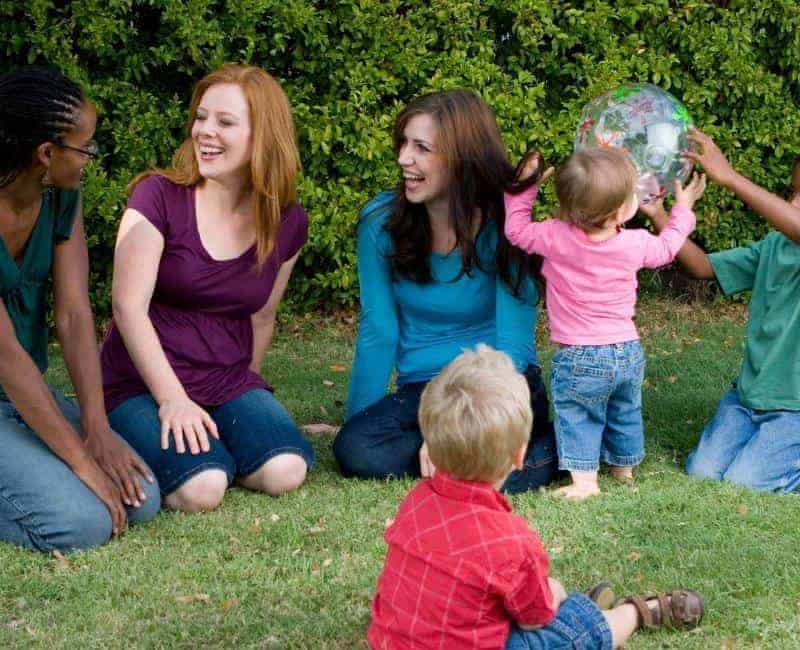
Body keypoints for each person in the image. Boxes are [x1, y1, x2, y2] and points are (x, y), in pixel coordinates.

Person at [367, 345, 705, 650]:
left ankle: (577, 606)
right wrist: (553, 592)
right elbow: (534, 619)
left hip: (393, 641)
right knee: (565, 631)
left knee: (509, 599)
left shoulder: (416, 501)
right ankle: (631, 613)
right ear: (519, 455)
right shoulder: (510, 541)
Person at [101, 64, 314, 512]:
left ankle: (217, 441)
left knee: (285, 470)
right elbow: (127, 307)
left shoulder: (288, 223)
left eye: (225, 122)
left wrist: (249, 391)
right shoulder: (156, 196)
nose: (205, 131)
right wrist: (173, 399)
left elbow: (261, 316)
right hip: (140, 381)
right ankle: (176, 446)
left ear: (263, 137)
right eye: (201, 117)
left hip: (225, 377)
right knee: (204, 487)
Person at [333, 90, 559, 493]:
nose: (404, 158)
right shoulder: (379, 223)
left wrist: (472, 425)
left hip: (499, 380)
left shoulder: (508, 226)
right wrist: (360, 419)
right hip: (426, 390)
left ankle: (556, 449)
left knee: (488, 462)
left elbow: (514, 344)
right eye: (404, 143)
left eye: (422, 148)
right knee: (356, 450)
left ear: (461, 157)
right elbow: (378, 329)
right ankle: (478, 455)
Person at [0, 67, 160, 552]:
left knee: (143, 498)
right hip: (9, 374)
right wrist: (80, 462)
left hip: (16, 394)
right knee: (81, 524)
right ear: (46, 153)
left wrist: (97, 427)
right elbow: (5, 353)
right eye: (85, 146)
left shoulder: (61, 197)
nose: (91, 156)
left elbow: (73, 314)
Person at [504, 148, 706, 500]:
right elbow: (669, 248)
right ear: (620, 211)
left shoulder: (554, 236)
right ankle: (623, 468)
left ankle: (585, 481)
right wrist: (683, 210)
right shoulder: (635, 243)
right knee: (625, 410)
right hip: (627, 350)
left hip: (580, 355)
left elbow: (516, 231)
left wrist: (524, 189)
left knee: (578, 413)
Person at [643, 129, 800, 493]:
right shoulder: (773, 246)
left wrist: (729, 177)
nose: (794, 203)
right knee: (702, 472)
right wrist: (660, 215)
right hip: (748, 397)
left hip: (795, 408)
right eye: (793, 193)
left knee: (745, 483)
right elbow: (701, 267)